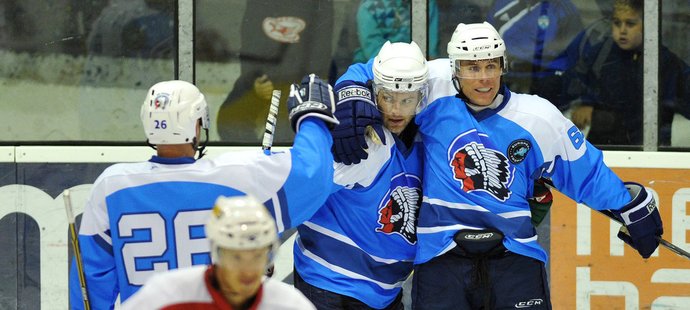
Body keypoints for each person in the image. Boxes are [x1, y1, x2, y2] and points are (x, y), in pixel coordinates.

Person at [333, 22, 663, 309]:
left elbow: (586, 172)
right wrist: (351, 92)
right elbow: (376, 69)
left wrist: (630, 205)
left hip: (514, 256)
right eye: (472, 68)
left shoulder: (537, 117)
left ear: (503, 65)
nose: (483, 78)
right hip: (441, 255)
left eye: (491, 66)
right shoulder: (431, 88)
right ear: (454, 69)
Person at [69, 75, 339, 309]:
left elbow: (91, 281)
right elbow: (313, 173)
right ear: (197, 125)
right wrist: (312, 118)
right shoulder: (239, 176)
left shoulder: (112, 185)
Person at [294, 41, 427, 310]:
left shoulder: (430, 139)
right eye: (387, 97)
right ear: (374, 92)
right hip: (329, 282)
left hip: (384, 291)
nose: (396, 110)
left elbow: (373, 67)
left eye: (406, 100)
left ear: (421, 97)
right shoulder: (365, 144)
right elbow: (296, 189)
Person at [121, 195, 316, 310]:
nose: (248, 270)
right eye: (236, 257)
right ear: (217, 253)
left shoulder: (291, 305)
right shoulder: (165, 295)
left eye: (258, 256)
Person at [566, 0, 690, 146]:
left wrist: (600, 116)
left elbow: (681, 101)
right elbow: (574, 82)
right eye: (617, 23)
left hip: (649, 148)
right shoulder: (600, 53)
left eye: (630, 24)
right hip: (603, 145)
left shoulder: (665, 62)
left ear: (648, 25)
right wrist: (583, 103)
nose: (622, 30)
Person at [216, 0, 334, 144]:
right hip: (263, 80)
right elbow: (249, 43)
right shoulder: (257, 5)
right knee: (230, 122)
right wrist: (255, 83)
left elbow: (320, 50)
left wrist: (309, 86)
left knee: (288, 129)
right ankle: (258, 160)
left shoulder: (318, 5)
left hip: (301, 85)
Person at [487, 0, 584, 109]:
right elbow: (487, 41)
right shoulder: (502, 3)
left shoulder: (563, 9)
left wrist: (540, 68)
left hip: (542, 79)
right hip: (503, 77)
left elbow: (571, 53)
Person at [353, 0, 439, 63]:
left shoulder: (425, 3)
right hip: (374, 65)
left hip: (418, 65)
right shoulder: (369, 7)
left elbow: (430, 50)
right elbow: (373, 50)